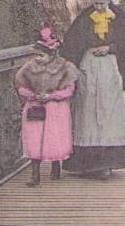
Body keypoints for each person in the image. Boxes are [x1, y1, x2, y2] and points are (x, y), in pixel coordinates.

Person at [59, 0, 125, 180]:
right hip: (88, 68)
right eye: (95, 4)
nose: (99, 8)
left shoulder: (119, 16)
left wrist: (110, 48)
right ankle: (87, 164)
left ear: (109, 0)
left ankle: (108, 162)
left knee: (109, 111)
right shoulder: (84, 18)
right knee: (87, 111)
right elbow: (71, 43)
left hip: (110, 69)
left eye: (102, 4)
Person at [15, 26, 80, 186]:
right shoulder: (29, 68)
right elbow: (21, 87)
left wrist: (52, 96)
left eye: (42, 55)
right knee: (33, 139)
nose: (38, 58)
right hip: (35, 106)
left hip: (55, 108)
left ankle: (55, 165)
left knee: (54, 137)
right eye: (36, 55)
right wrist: (32, 95)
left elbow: (69, 89)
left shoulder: (65, 67)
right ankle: (35, 173)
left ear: (52, 54)